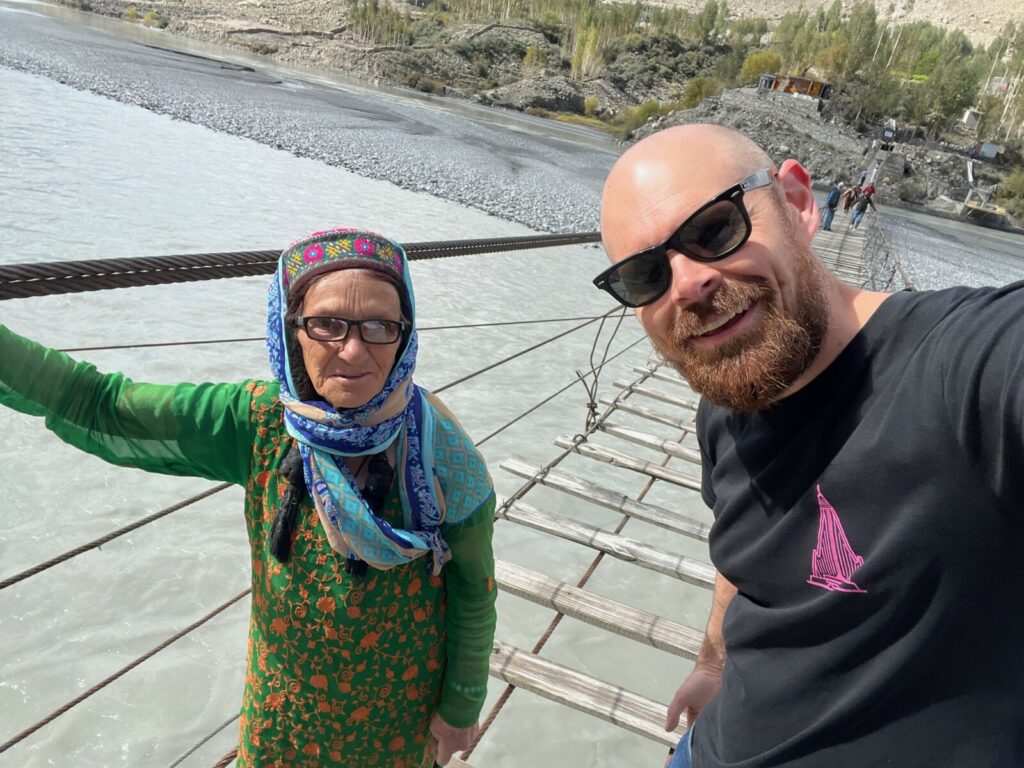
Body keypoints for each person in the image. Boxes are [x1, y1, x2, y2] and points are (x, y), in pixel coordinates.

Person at [593, 124, 1024, 768]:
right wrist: (712, 666)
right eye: (644, 275)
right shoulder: (724, 406)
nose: (687, 284)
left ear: (798, 203)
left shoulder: (967, 363)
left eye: (715, 230)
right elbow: (746, 557)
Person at [0, 228, 497, 768]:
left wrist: (461, 706)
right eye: (327, 324)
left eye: (380, 326)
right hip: (281, 713)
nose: (354, 350)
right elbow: (101, 402)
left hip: (397, 724)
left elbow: (474, 590)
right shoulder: (257, 423)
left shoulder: (446, 459)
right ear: (291, 332)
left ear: (405, 335)